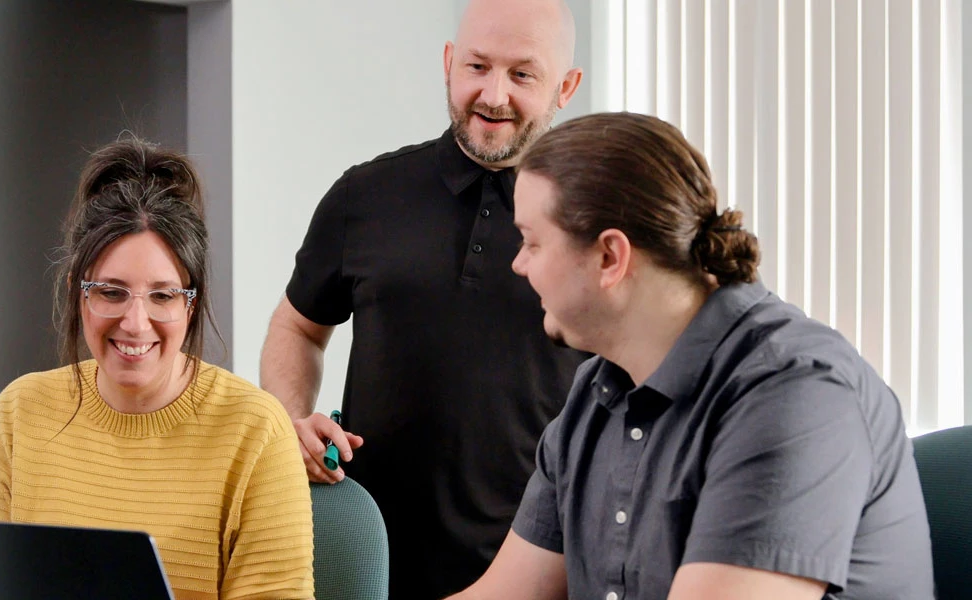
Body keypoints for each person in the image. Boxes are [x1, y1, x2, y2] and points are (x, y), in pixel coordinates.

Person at [447, 112, 933, 599]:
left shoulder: (796, 394)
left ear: (610, 257)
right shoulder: (596, 395)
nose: (518, 264)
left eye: (532, 242)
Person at [259, 0, 589, 595]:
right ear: (448, 63)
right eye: (477, 66)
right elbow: (297, 327)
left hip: (543, 575)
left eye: (522, 74)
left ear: (565, 87)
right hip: (371, 570)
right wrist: (291, 420)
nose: (493, 95)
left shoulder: (595, 222)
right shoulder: (365, 195)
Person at [0, 138, 313, 600]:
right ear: (78, 293)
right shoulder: (22, 410)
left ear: (191, 305)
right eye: (111, 292)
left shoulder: (256, 430)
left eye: (163, 295)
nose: (135, 323)